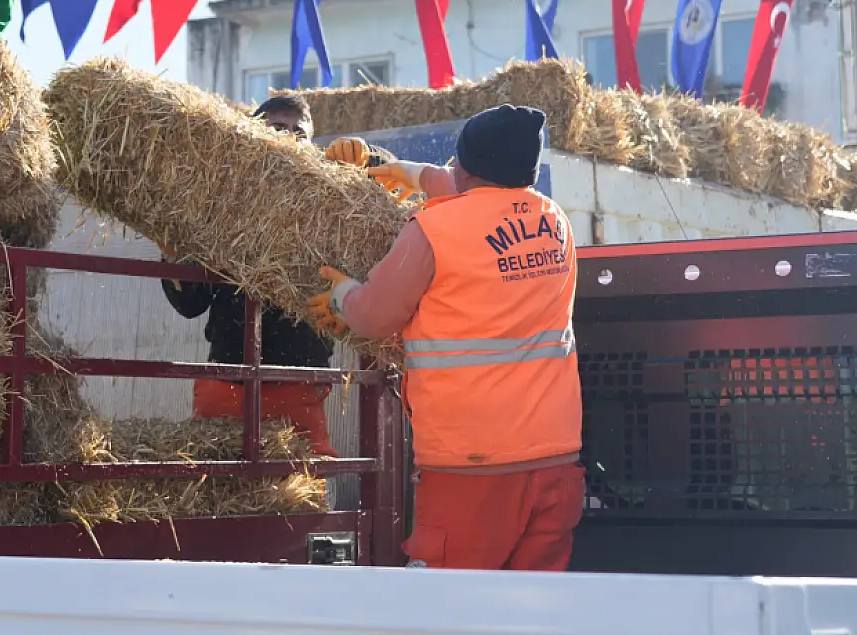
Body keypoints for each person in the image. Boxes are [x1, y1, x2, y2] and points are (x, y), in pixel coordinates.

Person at [310, 104, 585, 572]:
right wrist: (406, 172)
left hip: (471, 465)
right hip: (555, 460)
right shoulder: (553, 221)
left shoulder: (434, 231)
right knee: (535, 611)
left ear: (466, 164)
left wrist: (342, 295)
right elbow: (485, 201)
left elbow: (375, 317)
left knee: (452, 609)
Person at [159, 95, 382, 458]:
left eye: (299, 132)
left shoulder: (334, 201)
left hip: (301, 380)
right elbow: (190, 303)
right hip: (228, 377)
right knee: (215, 487)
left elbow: (390, 189)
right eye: (278, 128)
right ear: (253, 133)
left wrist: (368, 155)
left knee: (304, 491)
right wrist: (172, 254)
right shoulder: (221, 206)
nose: (290, 137)